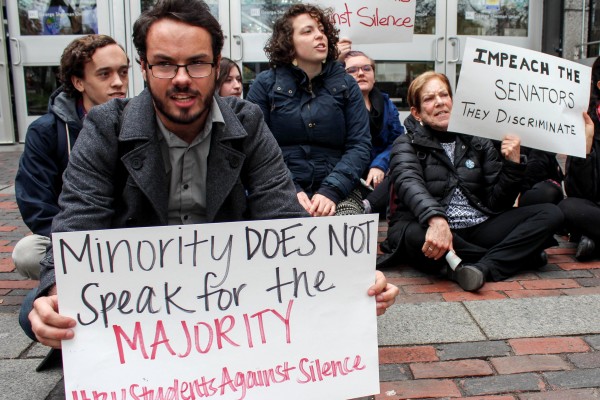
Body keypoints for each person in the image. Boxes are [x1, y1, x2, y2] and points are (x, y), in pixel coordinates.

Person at [25, 0, 398, 349]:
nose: (182, 79)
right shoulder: (107, 126)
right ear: (143, 66)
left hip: (228, 293)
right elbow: (78, 221)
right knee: (36, 312)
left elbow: (283, 217)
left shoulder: (247, 122)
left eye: (198, 63)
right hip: (136, 297)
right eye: (165, 64)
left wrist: (349, 279)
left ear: (216, 63)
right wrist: (55, 289)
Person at [378, 71, 563, 292]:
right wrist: (437, 220)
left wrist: (513, 164)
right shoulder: (405, 143)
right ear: (417, 112)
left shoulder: (477, 140)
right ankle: (517, 254)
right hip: (428, 225)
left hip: (477, 225)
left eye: (444, 95)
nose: (439, 103)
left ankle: (482, 268)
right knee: (417, 238)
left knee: (551, 213)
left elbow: (497, 204)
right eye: (429, 98)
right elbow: (411, 185)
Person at [13, 34, 129, 281]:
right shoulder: (46, 132)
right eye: (104, 74)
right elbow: (36, 203)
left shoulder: (140, 122)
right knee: (26, 252)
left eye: (123, 72)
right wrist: (75, 243)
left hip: (128, 237)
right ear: (78, 82)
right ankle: (65, 279)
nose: (118, 82)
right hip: (73, 237)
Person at [246, 4, 371, 217]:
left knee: (346, 223)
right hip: (279, 186)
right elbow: (255, 148)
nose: (319, 36)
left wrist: (331, 190)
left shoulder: (347, 85)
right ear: (288, 42)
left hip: (338, 188)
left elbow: (360, 145)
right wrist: (290, 188)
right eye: (308, 31)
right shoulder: (264, 85)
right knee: (289, 219)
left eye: (322, 30)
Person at [342, 50, 405, 215]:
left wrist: (380, 164)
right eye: (352, 70)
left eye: (366, 68)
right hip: (351, 174)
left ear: (374, 76)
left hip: (381, 176)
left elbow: (398, 140)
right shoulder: (336, 106)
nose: (361, 73)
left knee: (404, 167)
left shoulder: (386, 104)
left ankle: (367, 206)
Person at [558, 55, 600, 260]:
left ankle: (593, 241)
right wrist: (587, 145)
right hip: (594, 207)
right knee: (568, 208)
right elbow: (578, 190)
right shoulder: (588, 122)